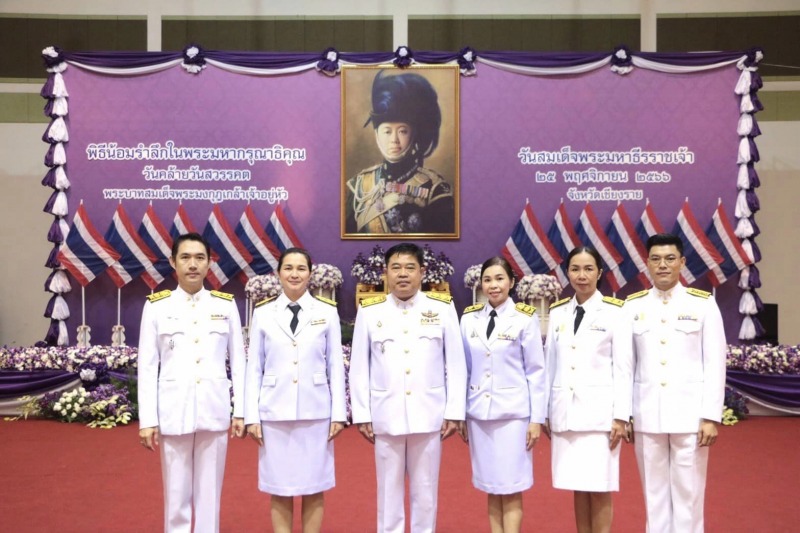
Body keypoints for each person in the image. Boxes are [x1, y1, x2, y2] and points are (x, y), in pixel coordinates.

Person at [349, 242, 467, 533]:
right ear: (385, 272)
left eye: (410, 268)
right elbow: (359, 367)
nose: (403, 274)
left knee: (425, 492)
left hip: (429, 415)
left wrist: (454, 411)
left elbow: (456, 362)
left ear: (422, 271)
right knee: (388, 492)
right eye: (396, 268)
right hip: (385, 414)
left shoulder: (441, 307)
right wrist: (363, 414)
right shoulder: (370, 310)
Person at [137, 232, 246, 533]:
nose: (193, 265)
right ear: (173, 262)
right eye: (185, 258)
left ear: (210, 263)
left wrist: (240, 412)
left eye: (200, 258)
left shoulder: (225, 305)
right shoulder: (157, 306)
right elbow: (147, 366)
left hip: (214, 408)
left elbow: (239, 362)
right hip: (175, 409)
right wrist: (148, 420)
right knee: (176, 492)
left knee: (210, 493)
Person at [624, 233, 726, 533]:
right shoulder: (633, 306)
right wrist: (626, 413)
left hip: (690, 416)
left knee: (689, 492)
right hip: (647, 414)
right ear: (647, 264)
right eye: (655, 259)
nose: (663, 265)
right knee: (653, 493)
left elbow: (715, 364)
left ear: (682, 262)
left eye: (670, 259)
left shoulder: (703, 304)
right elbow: (625, 366)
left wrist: (710, 416)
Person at [244, 247, 346, 533]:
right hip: (274, 412)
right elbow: (254, 369)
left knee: (314, 485)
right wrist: (252, 416)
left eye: (301, 268)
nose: (294, 274)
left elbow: (335, 367)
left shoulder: (326, 312)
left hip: (316, 412)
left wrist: (338, 413)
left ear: (310, 273)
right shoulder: (263, 314)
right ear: (278, 273)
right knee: (280, 486)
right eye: (288, 268)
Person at [543, 246, 631, 533]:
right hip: (565, 413)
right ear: (567, 272)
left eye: (588, 269)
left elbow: (623, 368)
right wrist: (546, 410)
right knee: (577, 486)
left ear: (600, 272)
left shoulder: (616, 312)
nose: (582, 276)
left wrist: (621, 416)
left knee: (600, 485)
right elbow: (550, 364)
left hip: (600, 416)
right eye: (575, 269)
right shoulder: (558, 312)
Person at [459, 256, 546, 533]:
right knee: (491, 486)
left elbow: (536, 371)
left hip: (513, 416)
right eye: (487, 279)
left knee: (511, 486)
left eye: (499, 279)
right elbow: (465, 369)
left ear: (511, 282)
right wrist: (460, 413)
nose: (493, 285)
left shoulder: (524, 318)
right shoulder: (469, 319)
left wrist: (536, 419)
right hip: (480, 416)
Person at [344, 70, 455, 235]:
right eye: (387, 131)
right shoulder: (360, 185)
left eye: (403, 131)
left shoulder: (434, 189)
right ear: (376, 134)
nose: (394, 140)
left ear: (414, 134)